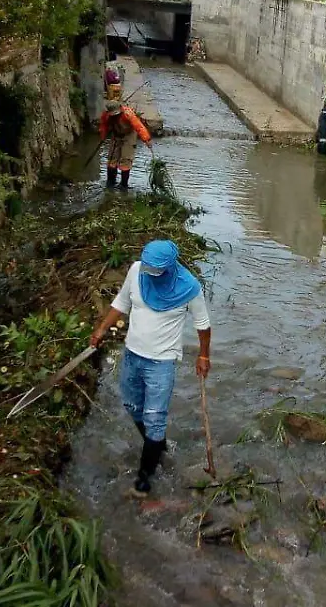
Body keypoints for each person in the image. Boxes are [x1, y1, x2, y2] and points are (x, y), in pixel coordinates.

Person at [90, 240, 212, 497]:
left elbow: (203, 325)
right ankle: (158, 446)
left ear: (170, 267)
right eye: (149, 268)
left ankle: (143, 483)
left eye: (157, 270)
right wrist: (101, 329)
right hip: (133, 355)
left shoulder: (189, 287)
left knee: (154, 419)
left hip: (161, 363)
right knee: (132, 406)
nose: (151, 273)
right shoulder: (137, 271)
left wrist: (203, 356)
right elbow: (121, 303)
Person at [99, 100, 152, 189]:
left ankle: (124, 185)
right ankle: (110, 183)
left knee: (126, 160)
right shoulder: (106, 115)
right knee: (112, 159)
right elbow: (103, 126)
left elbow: (139, 127)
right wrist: (103, 136)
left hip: (129, 136)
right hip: (116, 135)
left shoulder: (128, 114)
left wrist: (146, 139)